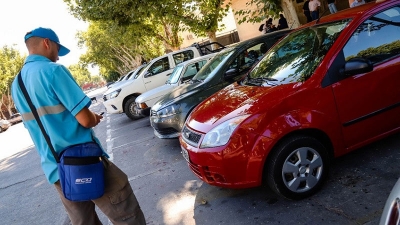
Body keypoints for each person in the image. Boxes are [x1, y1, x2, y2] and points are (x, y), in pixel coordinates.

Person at [11, 27, 146, 225]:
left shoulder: (17, 85)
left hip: (56, 170)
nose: (57, 56)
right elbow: (85, 120)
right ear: (47, 43)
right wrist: (94, 118)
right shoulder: (53, 71)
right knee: (127, 215)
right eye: (57, 49)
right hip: (85, 162)